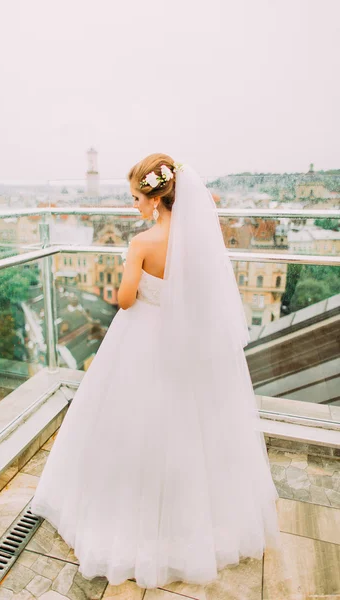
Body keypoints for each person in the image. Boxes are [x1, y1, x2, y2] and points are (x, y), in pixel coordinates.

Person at [30, 153, 282, 590]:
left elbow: (126, 299)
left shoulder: (142, 244)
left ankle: (134, 519)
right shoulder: (200, 243)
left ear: (153, 198)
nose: (133, 206)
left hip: (143, 337)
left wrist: (124, 282)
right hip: (191, 342)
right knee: (194, 428)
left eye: (135, 198)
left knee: (134, 426)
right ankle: (191, 523)